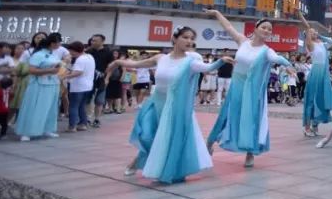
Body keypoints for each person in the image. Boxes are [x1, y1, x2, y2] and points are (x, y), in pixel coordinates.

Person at [109, 27, 231, 181]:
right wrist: (117, 62)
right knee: (146, 135)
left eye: (192, 38)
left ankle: (150, 165)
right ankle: (140, 161)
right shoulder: (160, 58)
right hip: (155, 104)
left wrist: (221, 61)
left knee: (166, 138)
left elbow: (208, 67)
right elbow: (137, 64)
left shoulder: (191, 62)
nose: (189, 41)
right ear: (174, 39)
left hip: (174, 108)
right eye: (185, 37)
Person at [205, 11, 293, 168]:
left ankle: (250, 153)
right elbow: (228, 26)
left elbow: (277, 59)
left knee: (251, 118)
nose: (267, 31)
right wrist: (217, 13)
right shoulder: (242, 41)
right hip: (237, 86)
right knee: (225, 116)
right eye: (264, 27)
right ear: (256, 28)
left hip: (252, 91)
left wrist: (288, 65)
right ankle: (209, 143)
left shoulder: (267, 51)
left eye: (270, 29)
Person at [14, 32, 65, 142]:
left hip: (53, 84)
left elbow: (58, 68)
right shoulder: (38, 55)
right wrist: (50, 70)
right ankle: (26, 132)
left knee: (50, 109)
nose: (59, 45)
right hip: (38, 85)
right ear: (52, 43)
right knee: (33, 108)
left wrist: (60, 70)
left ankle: (47, 129)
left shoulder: (54, 54)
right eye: (58, 42)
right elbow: (31, 70)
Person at [298, 11, 332, 137]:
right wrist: (303, 21)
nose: (315, 33)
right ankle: (307, 127)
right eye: (312, 32)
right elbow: (307, 29)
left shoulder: (322, 44)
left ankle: (315, 125)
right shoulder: (310, 45)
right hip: (316, 72)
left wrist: (321, 35)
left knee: (320, 100)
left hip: (323, 74)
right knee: (311, 100)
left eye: (316, 32)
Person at [64, 41, 95, 133]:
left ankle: (72, 126)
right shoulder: (90, 57)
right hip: (88, 86)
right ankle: (82, 124)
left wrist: (65, 76)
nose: (70, 54)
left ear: (75, 50)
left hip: (78, 86)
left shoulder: (80, 59)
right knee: (81, 106)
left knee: (73, 106)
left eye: (71, 51)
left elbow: (78, 72)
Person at [86, 34, 111, 128]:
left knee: (99, 101)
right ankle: (87, 118)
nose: (93, 42)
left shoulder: (108, 53)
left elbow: (111, 67)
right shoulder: (88, 52)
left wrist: (107, 78)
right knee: (87, 100)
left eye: (95, 40)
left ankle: (96, 119)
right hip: (88, 80)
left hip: (102, 80)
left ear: (102, 41)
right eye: (92, 40)